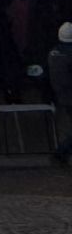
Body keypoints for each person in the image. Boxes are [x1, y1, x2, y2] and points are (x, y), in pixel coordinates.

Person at [51, 22, 72, 167]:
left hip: (62, 95)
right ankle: (61, 152)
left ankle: (62, 153)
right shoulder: (70, 53)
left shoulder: (54, 52)